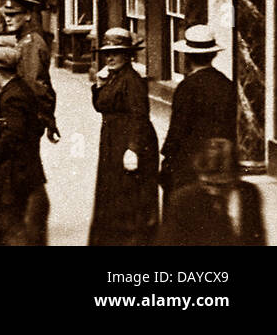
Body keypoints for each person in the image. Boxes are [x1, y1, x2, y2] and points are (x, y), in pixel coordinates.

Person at [86, 27, 160, 246]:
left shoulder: (132, 80)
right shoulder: (113, 77)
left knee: (128, 198)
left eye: (115, 52)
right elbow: (101, 106)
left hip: (129, 142)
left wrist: (133, 148)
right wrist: (98, 85)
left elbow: (140, 116)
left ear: (127, 55)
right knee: (111, 195)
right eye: (107, 53)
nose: (109, 57)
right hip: (112, 141)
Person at [0, 44, 49, 245]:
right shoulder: (11, 89)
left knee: (11, 226)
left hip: (13, 171)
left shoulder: (13, 95)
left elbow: (14, 135)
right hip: (17, 169)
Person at [159, 24, 237, 205]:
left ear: (187, 56)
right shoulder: (226, 84)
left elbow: (178, 129)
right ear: (214, 54)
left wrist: (168, 158)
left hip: (188, 162)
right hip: (219, 160)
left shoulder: (187, 87)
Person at [157, 137, 265, 246]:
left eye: (222, 185)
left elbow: (258, 239)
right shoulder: (184, 200)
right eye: (208, 184)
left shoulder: (249, 194)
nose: (214, 191)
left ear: (235, 177)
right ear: (200, 175)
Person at [0, 0, 60, 143]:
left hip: (27, 115)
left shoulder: (31, 44)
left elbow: (35, 84)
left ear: (27, 16)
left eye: (13, 15)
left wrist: (46, 117)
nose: (8, 19)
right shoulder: (25, 40)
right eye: (6, 15)